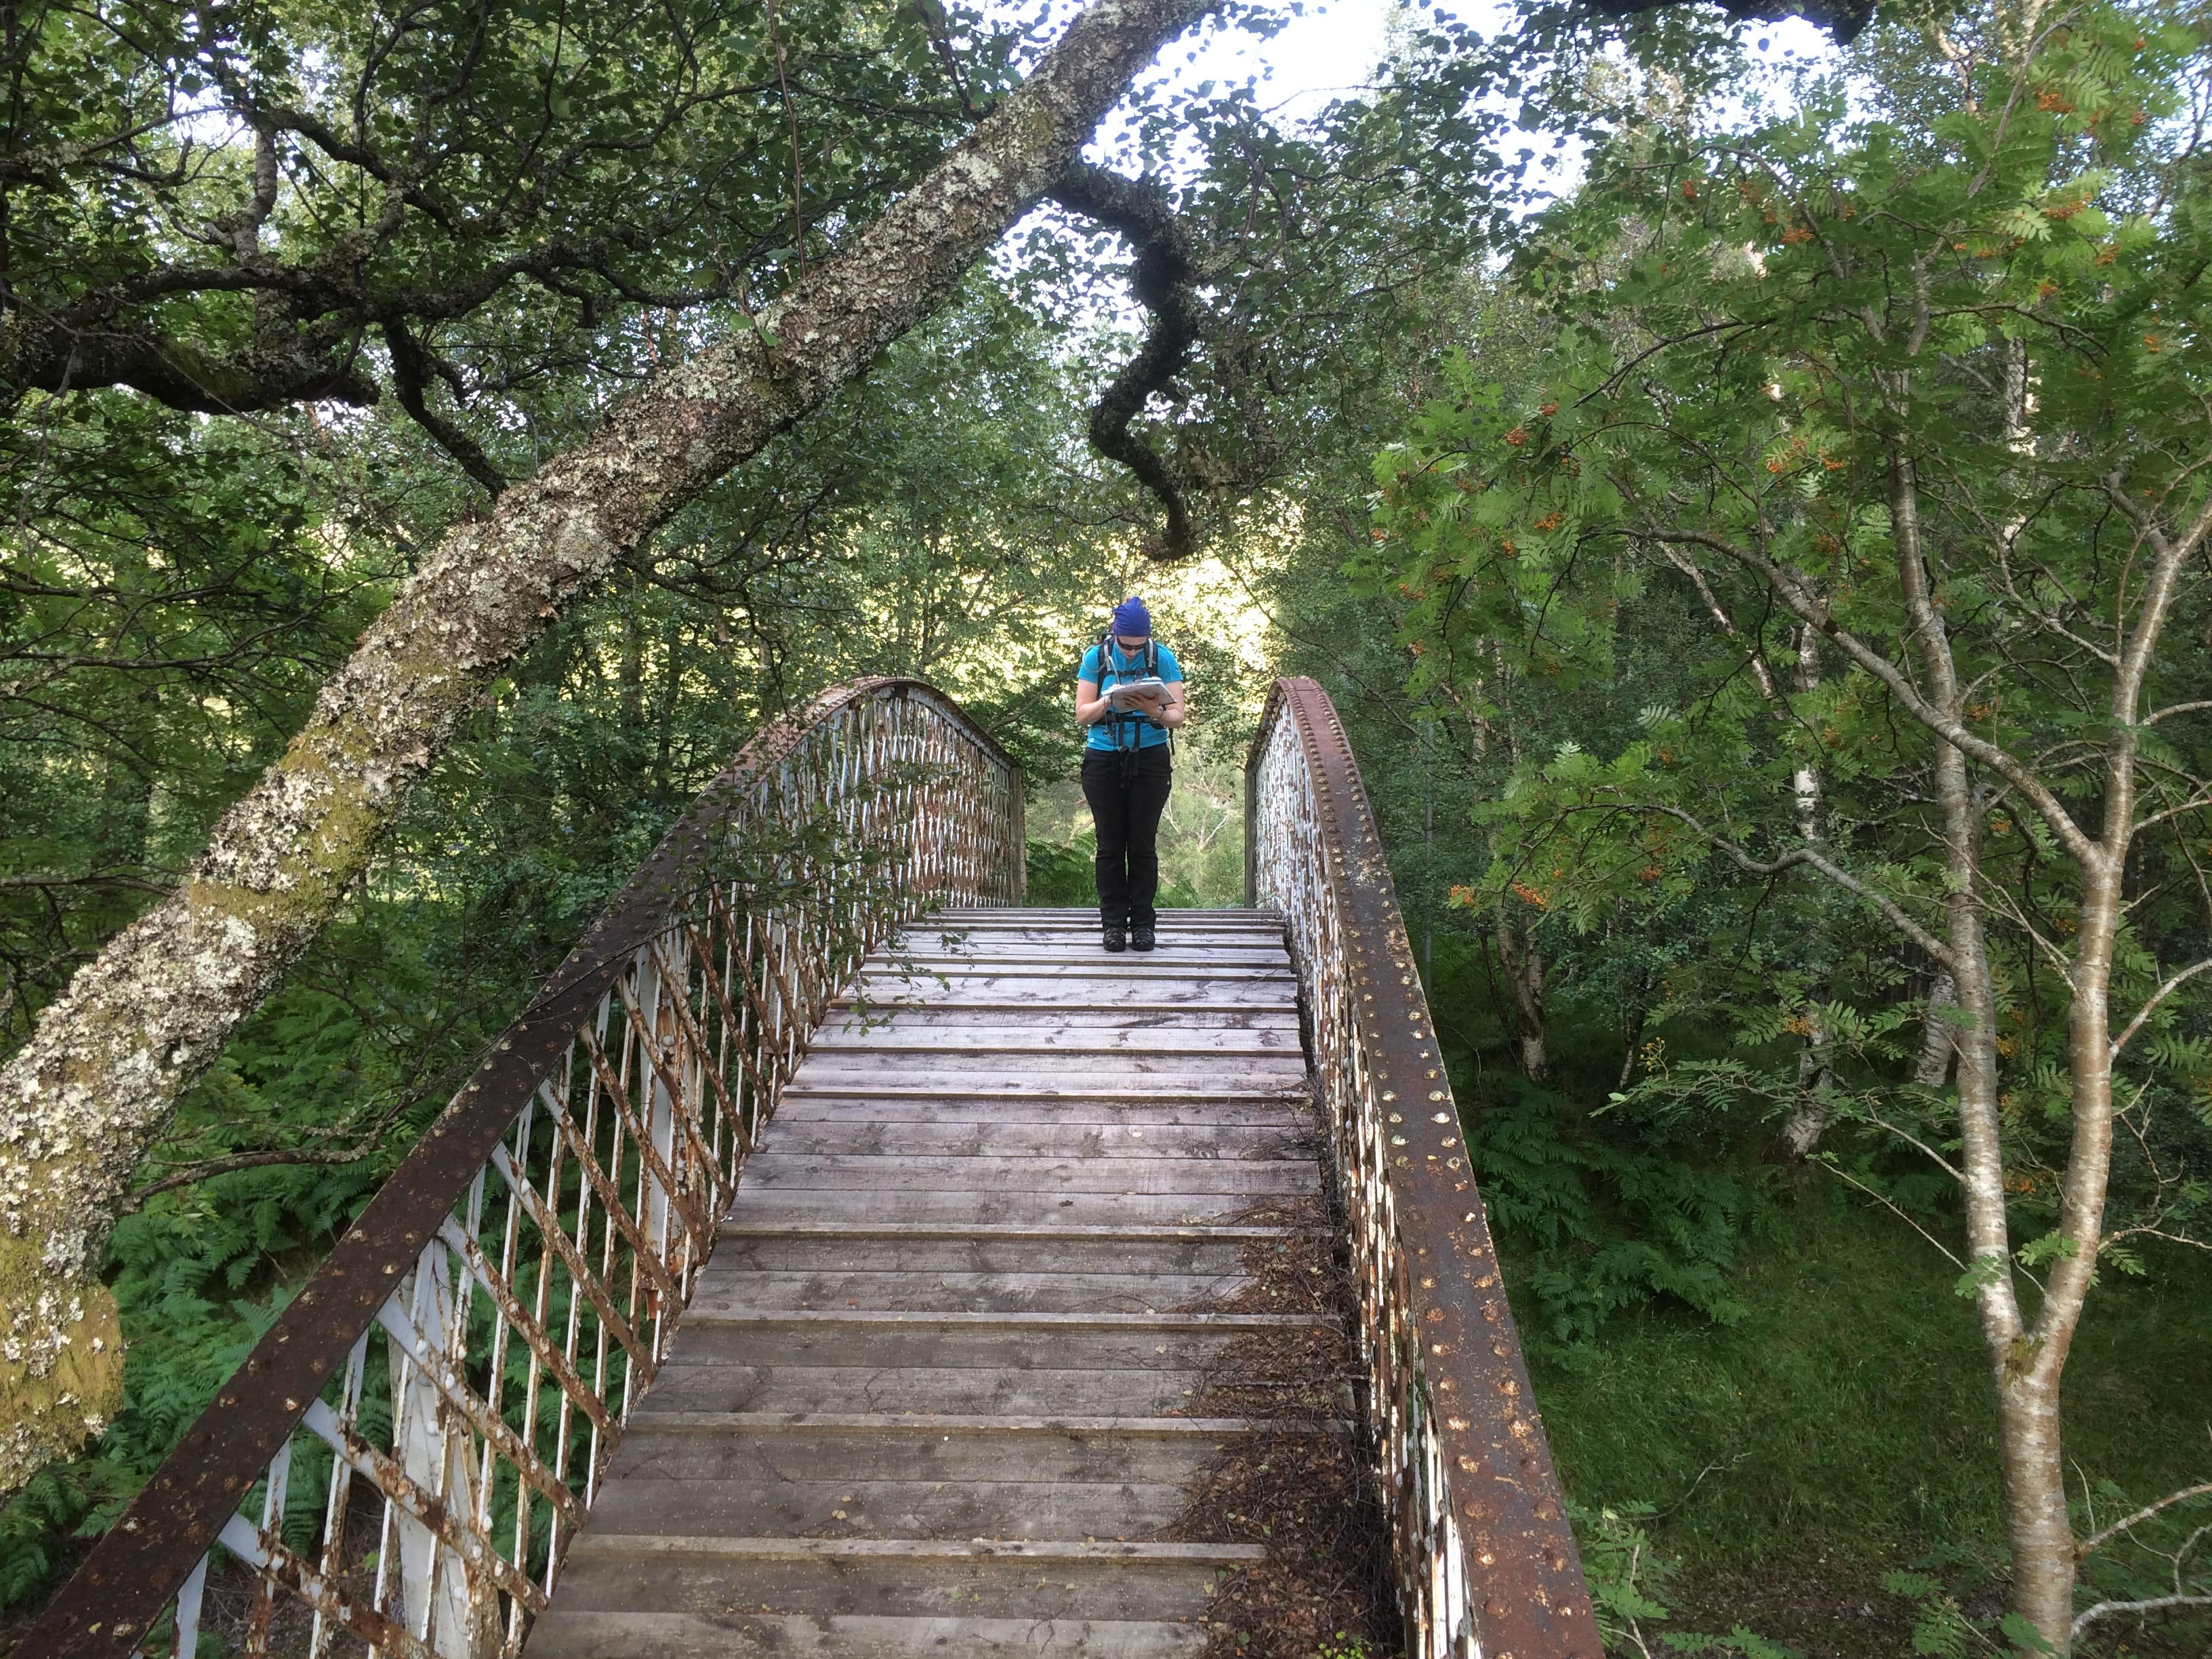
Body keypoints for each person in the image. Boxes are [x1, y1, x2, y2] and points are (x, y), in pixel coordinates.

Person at [1074, 597, 1186, 953]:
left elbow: (1177, 716)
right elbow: (1082, 715)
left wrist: (1154, 709)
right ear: (1116, 636)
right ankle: (1112, 927)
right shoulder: (1096, 658)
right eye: (1126, 645)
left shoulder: (1162, 657)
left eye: (1138, 646)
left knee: (1142, 845)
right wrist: (1109, 700)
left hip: (1150, 759)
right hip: (1103, 758)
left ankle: (1142, 926)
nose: (1132, 652)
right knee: (1109, 845)